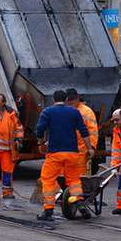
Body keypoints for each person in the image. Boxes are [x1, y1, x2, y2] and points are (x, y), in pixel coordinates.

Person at [35, 90, 93, 221]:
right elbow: (84, 131)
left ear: (53, 99)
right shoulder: (74, 112)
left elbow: (40, 129)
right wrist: (89, 148)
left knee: (48, 179)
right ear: (66, 99)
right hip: (73, 153)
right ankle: (78, 201)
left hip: (55, 153)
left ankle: (48, 210)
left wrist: (41, 143)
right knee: (74, 180)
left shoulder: (48, 112)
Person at [66, 88, 98, 175]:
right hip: (67, 151)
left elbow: (93, 131)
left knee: (79, 178)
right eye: (69, 101)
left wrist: (91, 147)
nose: (70, 103)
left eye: (72, 101)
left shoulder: (87, 112)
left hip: (81, 152)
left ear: (77, 99)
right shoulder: (66, 110)